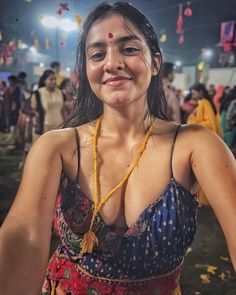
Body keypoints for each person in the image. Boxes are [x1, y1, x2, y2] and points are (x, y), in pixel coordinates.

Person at [0, 2, 235, 295]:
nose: (112, 63)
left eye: (129, 49)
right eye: (97, 54)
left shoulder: (193, 146)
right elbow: (24, 239)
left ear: (155, 62)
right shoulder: (57, 147)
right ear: (86, 69)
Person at [31, 69, 64, 136]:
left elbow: (63, 110)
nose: (54, 81)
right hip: (44, 128)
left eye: (55, 79)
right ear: (44, 80)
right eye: (51, 79)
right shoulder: (38, 93)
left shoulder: (60, 92)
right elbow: (33, 111)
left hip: (60, 127)